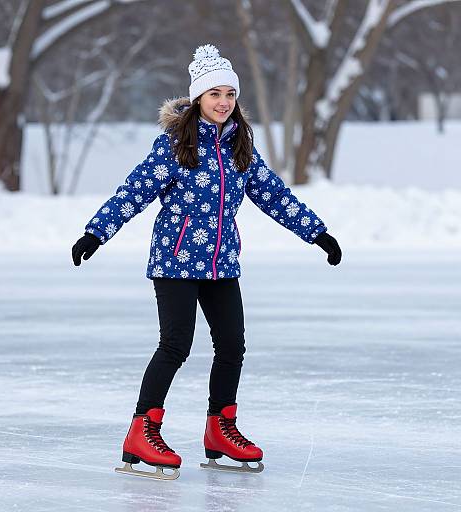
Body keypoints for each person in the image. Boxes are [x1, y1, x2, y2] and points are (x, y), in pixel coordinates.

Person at [72, 44, 341, 480]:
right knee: (175, 346)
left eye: (230, 95)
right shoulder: (176, 145)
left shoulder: (240, 146)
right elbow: (134, 191)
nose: (223, 102)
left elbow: (273, 195)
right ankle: (142, 431)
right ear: (198, 97)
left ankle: (221, 429)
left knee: (232, 345)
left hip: (221, 265)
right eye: (214, 94)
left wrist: (317, 233)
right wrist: (96, 232)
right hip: (175, 262)